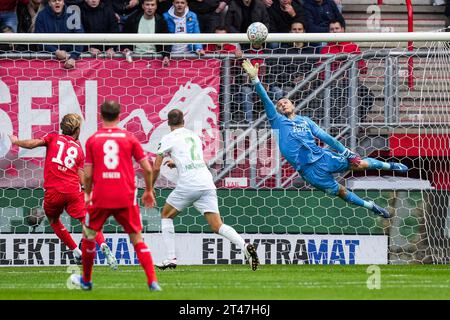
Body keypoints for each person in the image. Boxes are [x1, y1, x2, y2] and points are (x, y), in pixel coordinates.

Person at [242, 59, 409, 219]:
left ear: (293, 105)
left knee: (361, 164)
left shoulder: (306, 121)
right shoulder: (277, 121)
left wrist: (346, 152)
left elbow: (326, 137)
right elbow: (265, 100)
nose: (283, 104)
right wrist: (255, 79)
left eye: (286, 102)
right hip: (309, 171)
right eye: (280, 104)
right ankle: (371, 206)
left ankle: (391, 165)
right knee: (341, 192)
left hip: (323, 157)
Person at [70, 101, 161, 291]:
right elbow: (147, 167)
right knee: (137, 239)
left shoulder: (93, 139)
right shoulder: (129, 138)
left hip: (100, 197)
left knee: (88, 236)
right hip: (125, 196)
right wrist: (149, 191)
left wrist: (87, 194)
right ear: (119, 116)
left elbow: (87, 174)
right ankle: (153, 282)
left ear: (101, 116)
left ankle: (86, 281)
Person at [153, 109, 259, 271]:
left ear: (168, 123)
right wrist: (177, 163)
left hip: (189, 183)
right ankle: (244, 245)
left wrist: (149, 188)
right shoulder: (193, 136)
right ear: (184, 121)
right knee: (217, 225)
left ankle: (170, 258)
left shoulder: (168, 138)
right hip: (206, 182)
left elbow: (155, 167)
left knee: (166, 215)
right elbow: (192, 157)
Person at [8, 114, 117, 269]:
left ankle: (76, 251)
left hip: (53, 192)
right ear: (77, 130)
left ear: (62, 127)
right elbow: (81, 178)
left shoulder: (53, 138)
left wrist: (16, 141)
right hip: (73, 191)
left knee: (54, 221)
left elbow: (32, 144)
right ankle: (104, 245)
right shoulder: (79, 149)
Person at [320, 20, 372, 122]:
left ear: (343, 30)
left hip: (352, 83)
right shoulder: (325, 49)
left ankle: (359, 122)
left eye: (337, 28)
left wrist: (349, 67)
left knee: (368, 96)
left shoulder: (353, 46)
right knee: (335, 99)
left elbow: (363, 69)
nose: (334, 31)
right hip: (333, 84)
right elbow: (321, 73)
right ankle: (336, 126)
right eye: (332, 29)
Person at [34, 0, 84, 69]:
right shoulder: (41, 16)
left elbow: (80, 38)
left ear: (63, 2)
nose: (57, 2)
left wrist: (73, 57)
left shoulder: (73, 14)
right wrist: (55, 51)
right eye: (54, 1)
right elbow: (39, 40)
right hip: (48, 62)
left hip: (70, 60)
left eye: (59, 0)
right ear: (49, 3)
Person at [122, 0, 171, 66]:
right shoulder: (132, 20)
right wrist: (125, 48)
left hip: (156, 59)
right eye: (147, 5)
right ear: (143, 6)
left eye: (152, 5)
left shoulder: (161, 21)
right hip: (135, 58)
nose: (150, 7)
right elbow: (124, 37)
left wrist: (166, 56)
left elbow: (166, 41)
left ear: (156, 6)